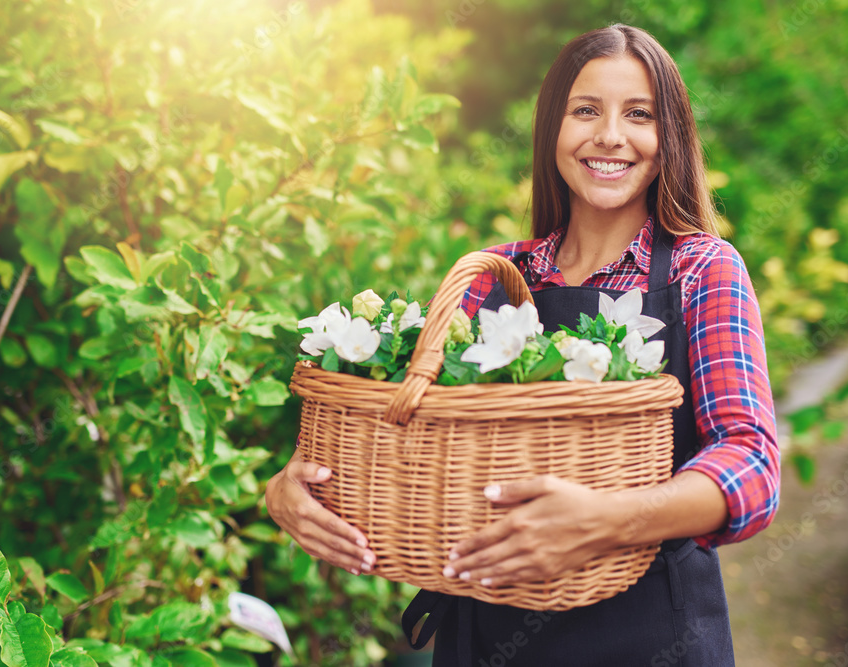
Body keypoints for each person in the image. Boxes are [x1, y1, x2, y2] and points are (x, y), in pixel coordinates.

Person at [265, 23, 779, 665]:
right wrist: (295, 486)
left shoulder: (701, 269)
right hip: (485, 629)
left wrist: (609, 519)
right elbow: (417, 433)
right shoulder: (499, 275)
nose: (610, 136)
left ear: (667, 135)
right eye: (585, 110)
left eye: (638, 114)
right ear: (551, 130)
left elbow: (752, 465)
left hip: (648, 632)